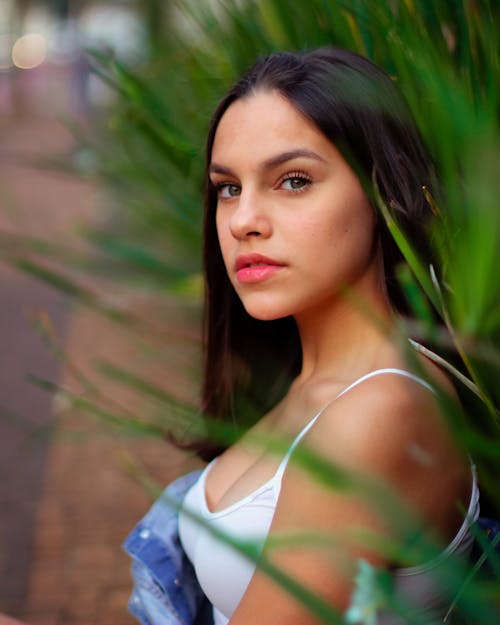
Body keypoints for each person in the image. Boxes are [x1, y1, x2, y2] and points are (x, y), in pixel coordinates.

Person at [125, 47, 479, 625]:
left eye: (292, 180)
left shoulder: (381, 410)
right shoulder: (305, 382)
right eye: (228, 188)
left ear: (384, 194)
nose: (243, 220)